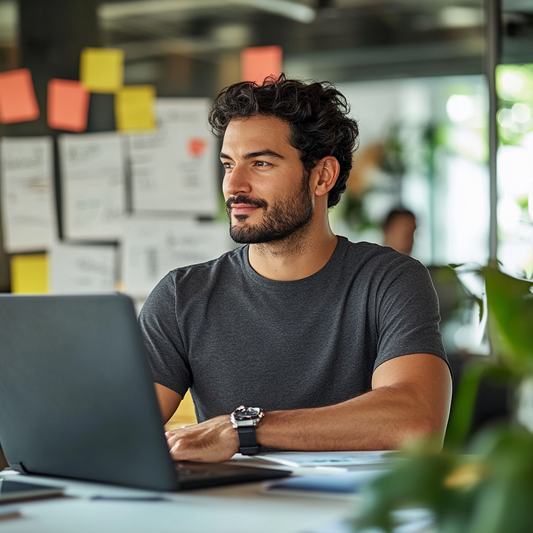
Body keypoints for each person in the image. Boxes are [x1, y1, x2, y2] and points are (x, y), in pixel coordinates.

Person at [139, 75, 452, 463]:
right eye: (228, 164)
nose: (234, 185)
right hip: (228, 513)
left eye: (261, 163)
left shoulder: (389, 280)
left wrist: (243, 429)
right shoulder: (181, 295)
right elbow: (122, 427)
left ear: (322, 176)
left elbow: (416, 421)